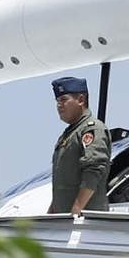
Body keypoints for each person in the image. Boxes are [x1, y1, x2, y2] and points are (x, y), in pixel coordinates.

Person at [48, 76, 111, 216]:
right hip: (66, 219)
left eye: (64, 100)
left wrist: (77, 208)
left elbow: (93, 170)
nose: (59, 105)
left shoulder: (92, 129)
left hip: (85, 221)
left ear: (81, 100)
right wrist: (53, 209)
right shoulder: (69, 135)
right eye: (57, 101)